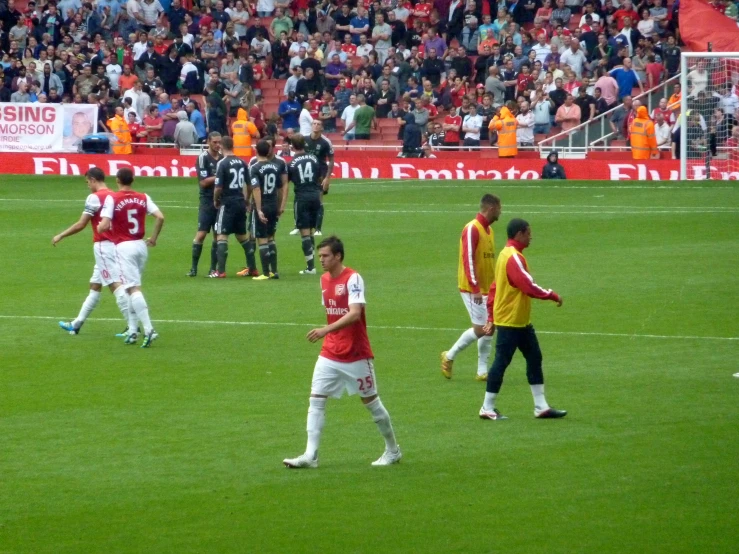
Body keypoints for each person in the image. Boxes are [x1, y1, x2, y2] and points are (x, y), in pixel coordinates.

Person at [283, 236, 401, 468]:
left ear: (338, 256)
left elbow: (355, 312)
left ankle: (393, 450)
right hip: (330, 352)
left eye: (326, 256)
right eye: (320, 256)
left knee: (371, 402)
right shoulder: (324, 280)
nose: (322, 260)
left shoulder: (353, 279)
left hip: (356, 353)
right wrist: (329, 334)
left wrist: (325, 329)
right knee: (316, 398)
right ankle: (310, 455)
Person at [479, 218, 566, 420]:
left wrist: (491, 317)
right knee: (501, 361)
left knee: (534, 357)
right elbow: (528, 286)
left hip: (519, 321)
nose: (531, 236)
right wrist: (552, 295)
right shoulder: (513, 258)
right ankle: (487, 407)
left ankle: (541, 406)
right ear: (519, 234)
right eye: (528, 233)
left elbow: (494, 289)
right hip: (511, 321)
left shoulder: (505, 255)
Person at [53, 168, 130, 335]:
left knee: (114, 285)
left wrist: (61, 235)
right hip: (116, 245)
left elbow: (81, 224)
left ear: (93, 179)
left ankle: (133, 326)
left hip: (103, 246)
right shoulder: (114, 196)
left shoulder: (94, 198)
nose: (88, 186)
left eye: (88, 182)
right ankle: (77, 323)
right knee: (95, 285)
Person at [98, 168, 165, 348]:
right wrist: (153, 238)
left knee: (133, 288)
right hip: (141, 246)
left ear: (118, 180)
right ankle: (133, 331)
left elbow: (104, 225)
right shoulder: (143, 197)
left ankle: (149, 329)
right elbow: (160, 217)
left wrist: (100, 228)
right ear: (133, 179)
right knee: (129, 287)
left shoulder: (113, 198)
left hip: (124, 246)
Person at [441, 194, 502, 381]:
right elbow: (468, 259)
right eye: (500, 208)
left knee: (489, 327)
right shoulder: (471, 229)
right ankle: (449, 356)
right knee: (481, 328)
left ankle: (482, 371)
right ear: (491, 208)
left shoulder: (489, 231)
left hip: (488, 288)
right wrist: (475, 287)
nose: (501, 211)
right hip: (471, 288)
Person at [210, 136, 252, 279]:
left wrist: (216, 200)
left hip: (227, 202)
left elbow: (218, 187)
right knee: (243, 237)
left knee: (222, 236)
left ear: (222, 146)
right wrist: (246, 200)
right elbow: (250, 184)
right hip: (240, 201)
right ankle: (253, 268)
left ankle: (220, 271)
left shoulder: (222, 163)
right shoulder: (242, 162)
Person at [188, 133, 230, 277]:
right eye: (215, 142)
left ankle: (213, 269)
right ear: (208, 142)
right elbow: (203, 182)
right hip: (207, 201)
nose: (218, 145)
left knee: (217, 236)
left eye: (219, 142)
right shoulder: (203, 158)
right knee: (201, 234)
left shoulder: (224, 159)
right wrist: (220, 175)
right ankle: (193, 268)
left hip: (220, 201)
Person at [249, 139, 288, 280]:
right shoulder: (275, 167)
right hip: (273, 205)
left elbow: (256, 189)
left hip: (263, 205)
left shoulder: (254, 167)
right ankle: (274, 271)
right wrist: (278, 207)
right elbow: (279, 189)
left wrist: (258, 209)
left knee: (262, 238)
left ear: (256, 151)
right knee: (271, 237)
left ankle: (265, 273)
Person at [288, 135, 322, 275]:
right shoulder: (314, 158)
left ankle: (310, 267)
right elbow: (319, 177)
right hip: (315, 196)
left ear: (292, 146)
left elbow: (287, 181)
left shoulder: (292, 163)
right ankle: (313, 262)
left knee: (304, 233)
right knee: (311, 230)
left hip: (301, 197)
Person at [303, 120, 334, 237]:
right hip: (306, 173)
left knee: (318, 199)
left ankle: (318, 229)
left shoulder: (326, 142)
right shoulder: (304, 140)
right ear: (311, 126)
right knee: (304, 199)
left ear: (322, 128)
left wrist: (327, 178)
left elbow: (331, 161)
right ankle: (300, 226)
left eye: (318, 124)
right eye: (314, 124)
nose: (316, 126)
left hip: (320, 173)